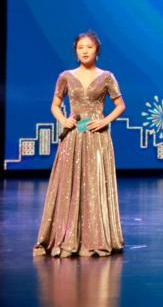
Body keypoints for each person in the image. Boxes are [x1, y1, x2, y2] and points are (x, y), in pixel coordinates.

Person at [34, 31, 126, 257]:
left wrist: (104, 121)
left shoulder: (106, 77)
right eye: (80, 47)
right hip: (74, 135)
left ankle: (95, 236)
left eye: (89, 47)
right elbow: (55, 105)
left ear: (97, 51)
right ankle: (68, 235)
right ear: (76, 52)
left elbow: (120, 105)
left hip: (96, 136)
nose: (85, 51)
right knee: (70, 184)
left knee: (94, 184)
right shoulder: (66, 76)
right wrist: (63, 120)